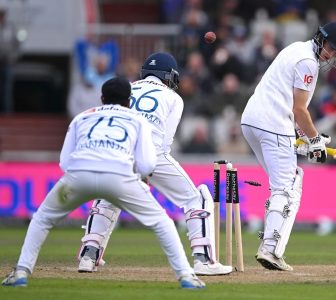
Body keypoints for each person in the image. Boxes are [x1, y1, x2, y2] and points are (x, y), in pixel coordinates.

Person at [2, 77, 205, 289]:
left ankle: (22, 272)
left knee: (42, 218)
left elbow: (64, 161)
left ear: (101, 98)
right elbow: (146, 165)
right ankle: (186, 276)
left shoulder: (82, 117)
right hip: (120, 178)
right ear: (129, 101)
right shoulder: (137, 120)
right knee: (162, 222)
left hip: (78, 177)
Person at [77, 53, 232, 276]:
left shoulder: (127, 87)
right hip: (153, 153)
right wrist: (147, 170)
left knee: (108, 197)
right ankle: (203, 260)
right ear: (169, 76)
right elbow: (164, 143)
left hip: (119, 151)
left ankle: (88, 255)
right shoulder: (173, 98)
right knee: (196, 198)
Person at [241, 22, 336, 271]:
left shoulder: (295, 49)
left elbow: (292, 106)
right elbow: (299, 109)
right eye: (331, 48)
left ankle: (272, 246)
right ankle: (270, 249)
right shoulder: (308, 62)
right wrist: (314, 141)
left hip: (252, 121)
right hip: (273, 123)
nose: (331, 55)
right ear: (320, 38)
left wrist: (307, 138)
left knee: (287, 181)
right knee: (287, 185)